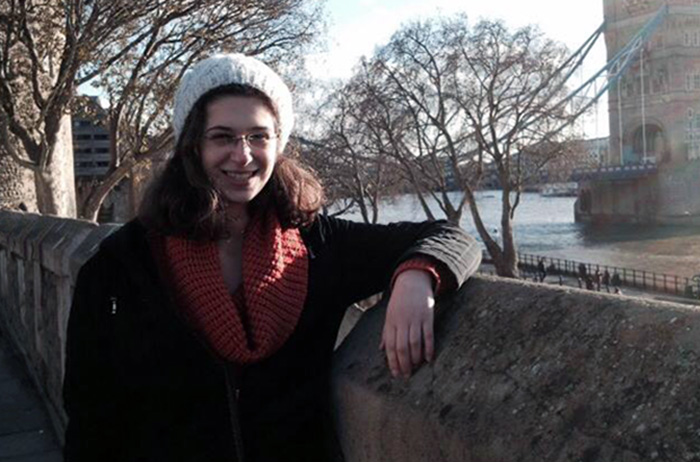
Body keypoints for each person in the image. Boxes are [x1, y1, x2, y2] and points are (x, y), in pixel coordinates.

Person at [62, 54, 482, 462]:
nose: (242, 156)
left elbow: (450, 237)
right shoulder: (121, 266)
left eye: (258, 136)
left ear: (277, 145)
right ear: (191, 146)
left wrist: (416, 277)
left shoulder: (318, 243)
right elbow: (90, 419)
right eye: (222, 136)